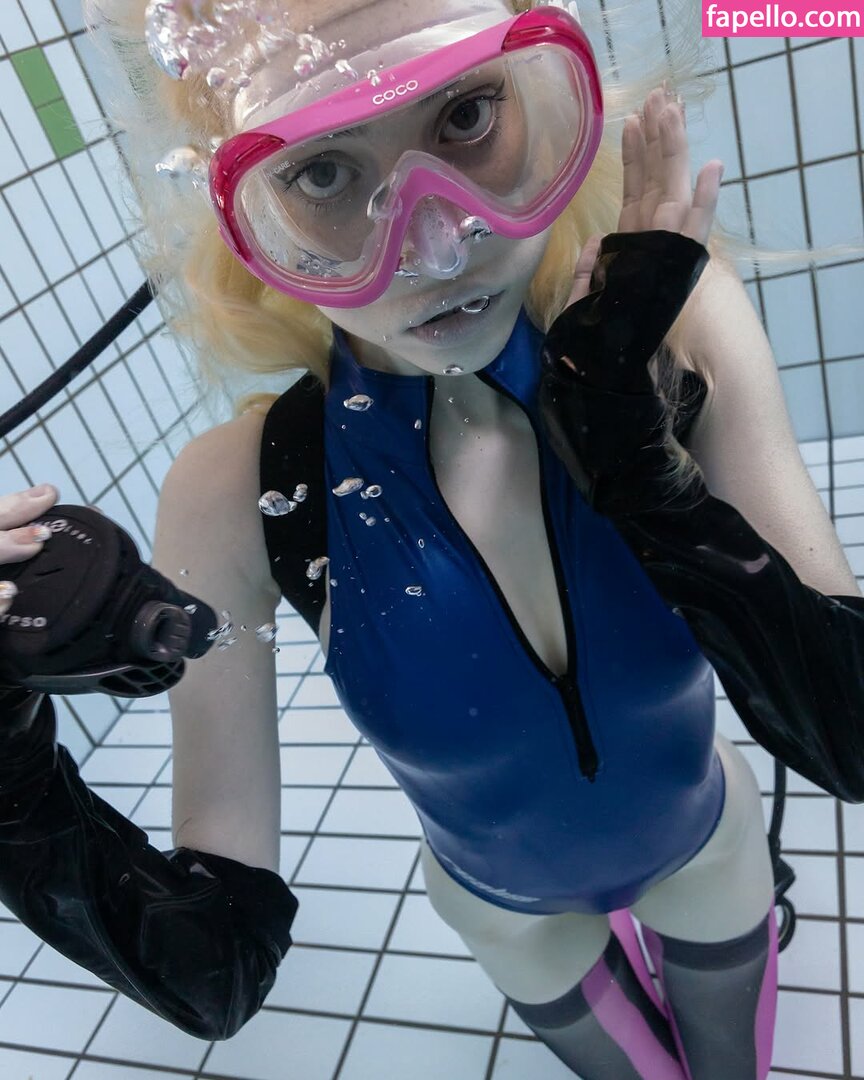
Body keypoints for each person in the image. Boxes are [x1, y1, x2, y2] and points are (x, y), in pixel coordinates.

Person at [0, 0, 861, 1077]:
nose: (436, 243)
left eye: (466, 116)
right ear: (250, 212)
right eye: (323, 173)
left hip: (707, 853)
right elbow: (214, 968)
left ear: (545, 99)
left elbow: (852, 735)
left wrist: (637, 455)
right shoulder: (240, 492)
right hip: (508, 915)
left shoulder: (675, 331)